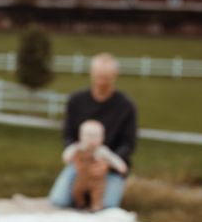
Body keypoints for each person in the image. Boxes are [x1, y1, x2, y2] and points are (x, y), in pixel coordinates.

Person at [48, 53, 137, 210]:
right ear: (92, 74)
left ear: (114, 76)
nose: (102, 82)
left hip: (109, 167)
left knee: (108, 206)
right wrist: (76, 158)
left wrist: (107, 164)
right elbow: (68, 136)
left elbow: (128, 144)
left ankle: (96, 197)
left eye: (106, 78)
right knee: (59, 200)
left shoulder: (125, 106)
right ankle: (81, 195)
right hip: (81, 163)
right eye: (99, 77)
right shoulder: (76, 101)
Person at [63, 120, 128, 211]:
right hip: (81, 176)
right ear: (81, 136)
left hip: (97, 179)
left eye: (95, 136)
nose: (91, 139)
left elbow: (113, 157)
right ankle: (79, 203)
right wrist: (68, 159)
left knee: (99, 194)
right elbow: (68, 153)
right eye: (88, 135)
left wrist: (119, 166)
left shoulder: (102, 150)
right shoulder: (78, 147)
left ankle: (96, 206)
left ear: (102, 138)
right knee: (76, 190)